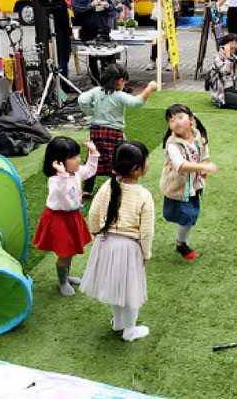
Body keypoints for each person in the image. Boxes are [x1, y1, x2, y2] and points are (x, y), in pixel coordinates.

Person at [81, 141, 154, 342]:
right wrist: (146, 254)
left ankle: (118, 322)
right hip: (129, 247)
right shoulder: (144, 195)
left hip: (105, 242)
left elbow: (94, 214)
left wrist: (97, 233)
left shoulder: (107, 186)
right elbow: (146, 231)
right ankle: (129, 330)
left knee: (115, 285)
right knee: (131, 290)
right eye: (146, 160)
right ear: (136, 169)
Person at [33, 137, 99, 296]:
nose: (77, 159)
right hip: (58, 219)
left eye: (77, 155)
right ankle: (62, 281)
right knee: (65, 252)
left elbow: (90, 170)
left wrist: (93, 153)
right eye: (72, 157)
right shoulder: (55, 179)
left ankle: (66, 277)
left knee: (70, 251)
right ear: (58, 162)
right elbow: (59, 192)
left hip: (72, 217)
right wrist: (63, 176)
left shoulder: (75, 172)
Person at [78, 65, 157, 196]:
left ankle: (87, 188)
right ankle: (115, 186)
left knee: (93, 157)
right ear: (120, 81)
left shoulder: (97, 91)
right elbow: (136, 102)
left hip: (97, 131)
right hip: (114, 132)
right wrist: (149, 88)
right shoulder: (119, 95)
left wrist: (90, 111)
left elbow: (82, 99)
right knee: (116, 159)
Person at [159, 104, 218, 260]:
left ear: (191, 119)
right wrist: (203, 166)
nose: (176, 122)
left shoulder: (199, 137)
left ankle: (181, 241)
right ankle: (181, 244)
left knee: (190, 216)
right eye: (171, 120)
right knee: (186, 216)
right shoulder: (172, 144)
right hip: (178, 186)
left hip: (193, 185)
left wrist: (203, 166)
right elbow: (181, 165)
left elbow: (205, 153)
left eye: (180, 117)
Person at [72, 0, 115, 83]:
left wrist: (107, 6)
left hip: (103, 28)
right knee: (93, 59)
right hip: (89, 31)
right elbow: (76, 12)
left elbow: (112, 8)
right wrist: (90, 6)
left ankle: (111, 83)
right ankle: (96, 83)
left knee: (108, 58)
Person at [147, 0, 179, 70]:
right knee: (156, 36)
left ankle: (171, 61)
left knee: (170, 37)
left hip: (170, 12)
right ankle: (153, 60)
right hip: (159, 13)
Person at [208, 33, 237, 110]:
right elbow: (227, 71)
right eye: (231, 43)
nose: (234, 46)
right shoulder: (218, 58)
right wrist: (228, 56)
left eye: (236, 43)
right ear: (225, 45)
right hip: (221, 92)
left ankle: (233, 100)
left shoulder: (233, 57)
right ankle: (222, 103)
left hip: (232, 89)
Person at [53, 0, 73, 79]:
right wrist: (70, 32)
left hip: (57, 29)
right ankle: (64, 81)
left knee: (61, 57)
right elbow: (65, 18)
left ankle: (62, 80)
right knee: (64, 58)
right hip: (62, 30)